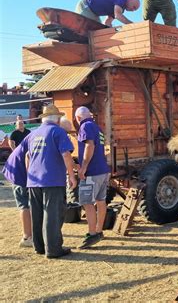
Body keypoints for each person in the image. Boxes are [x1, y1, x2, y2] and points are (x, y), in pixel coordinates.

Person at [25, 104, 76, 258]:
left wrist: (30, 174)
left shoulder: (33, 133)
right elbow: (66, 155)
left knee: (37, 214)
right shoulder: (58, 131)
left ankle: (39, 246)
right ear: (57, 119)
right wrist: (72, 176)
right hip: (52, 179)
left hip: (34, 181)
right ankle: (53, 249)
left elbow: (27, 155)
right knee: (52, 214)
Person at [74, 106, 111, 249]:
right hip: (103, 170)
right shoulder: (97, 127)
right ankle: (99, 231)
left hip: (92, 173)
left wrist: (83, 167)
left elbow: (89, 146)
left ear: (78, 118)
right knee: (100, 201)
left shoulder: (85, 127)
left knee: (86, 202)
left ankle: (92, 234)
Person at [2, 140, 32, 247]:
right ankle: (27, 237)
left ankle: (29, 233)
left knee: (27, 204)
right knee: (24, 205)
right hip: (19, 173)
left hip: (18, 169)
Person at [75, 0, 140, 27]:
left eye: (135, 10)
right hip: (86, 5)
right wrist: (133, 25)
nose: (133, 10)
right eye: (134, 7)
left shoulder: (120, 9)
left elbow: (107, 22)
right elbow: (118, 16)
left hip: (93, 12)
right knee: (91, 30)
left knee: (99, 30)